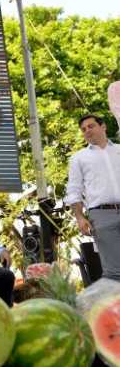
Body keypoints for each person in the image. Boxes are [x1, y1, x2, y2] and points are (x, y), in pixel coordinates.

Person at [66, 114, 120, 281]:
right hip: (102, 216)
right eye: (83, 130)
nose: (87, 131)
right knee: (114, 271)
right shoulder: (79, 158)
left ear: (103, 126)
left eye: (91, 126)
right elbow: (74, 189)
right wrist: (80, 217)